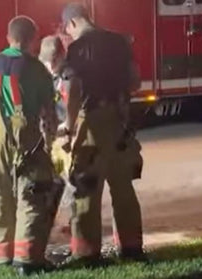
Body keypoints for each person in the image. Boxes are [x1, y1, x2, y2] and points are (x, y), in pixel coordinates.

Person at [57, 2, 145, 266]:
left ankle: (86, 254)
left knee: (86, 190)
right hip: (119, 123)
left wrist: (69, 127)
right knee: (123, 189)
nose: (68, 35)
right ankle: (131, 249)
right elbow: (135, 81)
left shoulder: (77, 49)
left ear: (72, 23)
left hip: (90, 125)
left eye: (67, 30)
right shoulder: (119, 42)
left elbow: (73, 91)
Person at [0, 16, 58, 275]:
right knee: (30, 197)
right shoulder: (39, 69)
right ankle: (26, 262)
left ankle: (1, 261)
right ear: (33, 40)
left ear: (8, 38)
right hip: (27, 138)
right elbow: (49, 115)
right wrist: (50, 145)